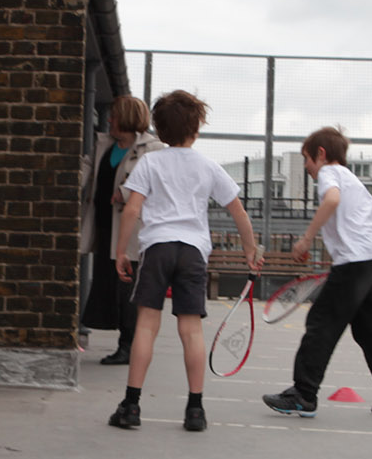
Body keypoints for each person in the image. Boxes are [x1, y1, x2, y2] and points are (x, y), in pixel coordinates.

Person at [109, 90, 263, 432]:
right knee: (190, 329)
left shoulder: (150, 162)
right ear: (197, 128)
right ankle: (195, 410)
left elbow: (132, 208)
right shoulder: (207, 165)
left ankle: (131, 406)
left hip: (157, 248)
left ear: (160, 131)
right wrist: (250, 250)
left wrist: (122, 251)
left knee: (146, 326)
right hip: (193, 251)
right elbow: (237, 210)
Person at [261, 127, 372, 418]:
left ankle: (303, 394)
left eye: (307, 159)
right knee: (370, 329)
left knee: (321, 322)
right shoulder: (355, 181)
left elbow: (331, 200)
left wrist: (307, 238)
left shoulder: (329, 174)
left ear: (321, 154)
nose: (307, 166)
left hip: (355, 262)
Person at [79, 96, 166, 365]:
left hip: (131, 232)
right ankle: (123, 341)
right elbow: (87, 169)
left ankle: (128, 345)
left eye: (114, 115)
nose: (109, 120)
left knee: (127, 289)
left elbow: (155, 182)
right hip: (105, 226)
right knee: (108, 286)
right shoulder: (104, 144)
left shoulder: (152, 149)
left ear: (127, 117)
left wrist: (127, 192)